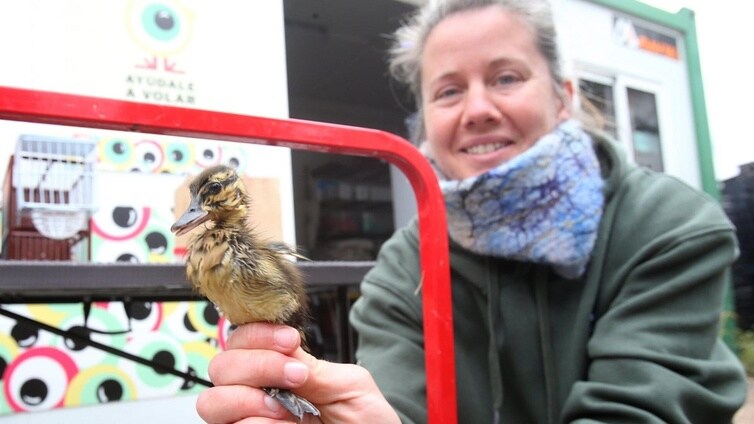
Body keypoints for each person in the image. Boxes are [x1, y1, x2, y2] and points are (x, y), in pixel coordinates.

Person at [195, 0, 748, 422]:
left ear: (564, 96)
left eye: (506, 77)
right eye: (449, 91)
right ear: (426, 123)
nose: (478, 109)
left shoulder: (666, 224)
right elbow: (400, 408)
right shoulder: (406, 266)